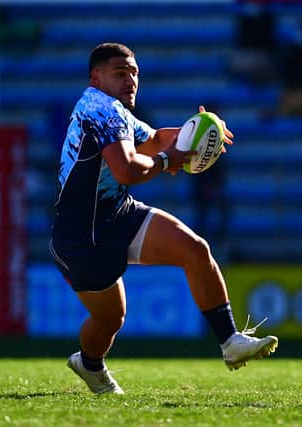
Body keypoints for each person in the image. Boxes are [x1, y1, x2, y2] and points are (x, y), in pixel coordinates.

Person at [49, 42, 278, 395]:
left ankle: (230, 341)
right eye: (120, 73)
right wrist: (169, 160)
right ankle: (89, 364)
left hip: (118, 214)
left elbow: (154, 139)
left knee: (195, 249)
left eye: (134, 73)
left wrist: (199, 129)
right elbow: (126, 169)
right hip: (80, 237)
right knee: (111, 319)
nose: (130, 80)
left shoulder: (117, 111)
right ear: (96, 78)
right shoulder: (100, 109)